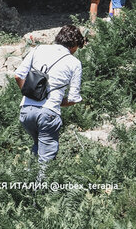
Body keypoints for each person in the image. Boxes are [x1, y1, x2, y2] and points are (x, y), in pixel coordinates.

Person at [13, 25, 85, 180]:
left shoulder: (38, 49)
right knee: (46, 162)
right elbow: (73, 98)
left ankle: (25, 189)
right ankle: (41, 198)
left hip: (26, 110)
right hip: (49, 114)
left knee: (38, 148)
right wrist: (55, 102)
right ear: (74, 45)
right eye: (77, 48)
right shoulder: (74, 63)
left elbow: (18, 76)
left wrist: (29, 93)